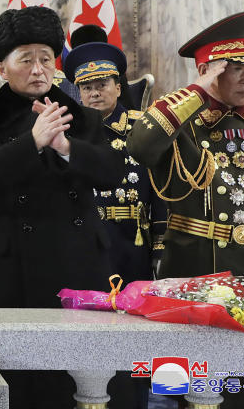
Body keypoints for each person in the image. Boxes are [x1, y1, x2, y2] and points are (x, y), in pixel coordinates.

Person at [0, 6, 122, 409]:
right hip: (12, 267)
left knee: (79, 378)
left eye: (46, 59)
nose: (38, 69)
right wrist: (31, 141)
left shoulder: (82, 119)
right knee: (15, 375)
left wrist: (66, 147)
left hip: (79, 263)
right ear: (1, 68)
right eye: (26, 59)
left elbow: (111, 173)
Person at [128, 11, 244, 409]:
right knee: (180, 387)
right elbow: (141, 145)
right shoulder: (180, 123)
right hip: (195, 275)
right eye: (236, 68)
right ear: (208, 70)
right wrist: (197, 89)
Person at [64, 41, 166, 409]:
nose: (94, 92)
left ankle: (133, 401)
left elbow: (162, 192)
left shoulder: (142, 128)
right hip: (82, 246)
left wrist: (160, 249)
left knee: (133, 337)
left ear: (119, 87)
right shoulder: (66, 130)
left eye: (103, 84)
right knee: (83, 334)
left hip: (130, 247)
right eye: (86, 86)